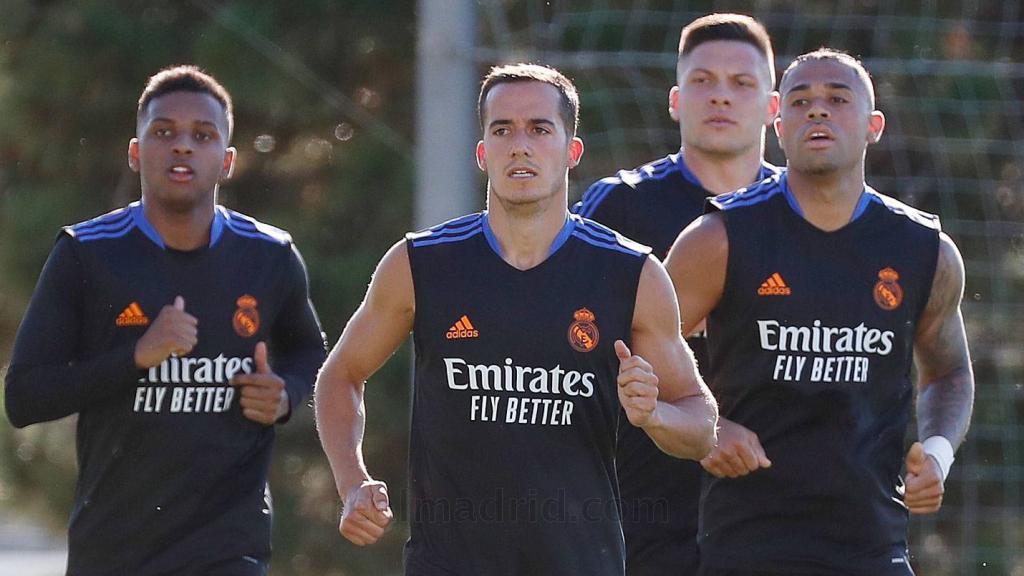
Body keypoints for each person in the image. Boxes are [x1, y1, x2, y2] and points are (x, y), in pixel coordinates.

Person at [315, 63, 718, 575]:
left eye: (539, 129)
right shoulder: (420, 264)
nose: (519, 145)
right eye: (502, 130)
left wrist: (653, 415)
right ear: (483, 153)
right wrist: (352, 482)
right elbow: (341, 375)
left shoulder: (631, 273)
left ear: (572, 151)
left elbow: (701, 426)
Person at [4, 65, 327, 575]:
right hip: (115, 551)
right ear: (135, 153)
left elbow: (312, 353)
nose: (182, 147)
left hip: (228, 548)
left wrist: (284, 392)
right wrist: (136, 357)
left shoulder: (270, 254)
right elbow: (24, 398)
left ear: (227, 161)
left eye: (202, 136)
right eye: (163, 132)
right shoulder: (86, 254)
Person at [665, 49, 974, 575]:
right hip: (747, 545)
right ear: (778, 125)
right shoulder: (719, 238)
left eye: (837, 98)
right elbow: (640, 350)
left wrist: (939, 453)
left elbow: (949, 372)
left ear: (874, 126)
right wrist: (708, 426)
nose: (817, 111)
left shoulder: (925, 250)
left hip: (874, 546)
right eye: (801, 100)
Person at [572, 14, 779, 575]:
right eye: (702, 81)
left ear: (772, 108)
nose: (720, 97)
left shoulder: (805, 215)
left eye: (742, 84)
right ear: (674, 100)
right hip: (642, 509)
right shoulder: (617, 207)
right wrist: (693, 426)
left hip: (781, 509)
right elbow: (568, 344)